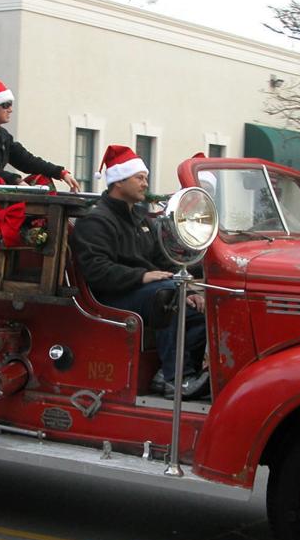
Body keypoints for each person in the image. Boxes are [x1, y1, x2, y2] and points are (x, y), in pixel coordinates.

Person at [69, 145, 208, 399]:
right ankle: (178, 379)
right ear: (118, 182)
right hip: (111, 295)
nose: (145, 183)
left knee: (201, 315)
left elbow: (160, 261)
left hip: (144, 291)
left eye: (145, 177)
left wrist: (185, 289)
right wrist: (143, 277)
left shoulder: (141, 219)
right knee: (164, 295)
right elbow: (97, 271)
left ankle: (162, 375)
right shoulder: (96, 221)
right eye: (139, 178)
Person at [0, 81, 81, 191]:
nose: (10, 109)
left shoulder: (4, 136)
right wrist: (16, 181)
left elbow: (27, 161)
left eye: (11, 104)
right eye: (6, 105)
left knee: (42, 180)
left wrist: (60, 172)